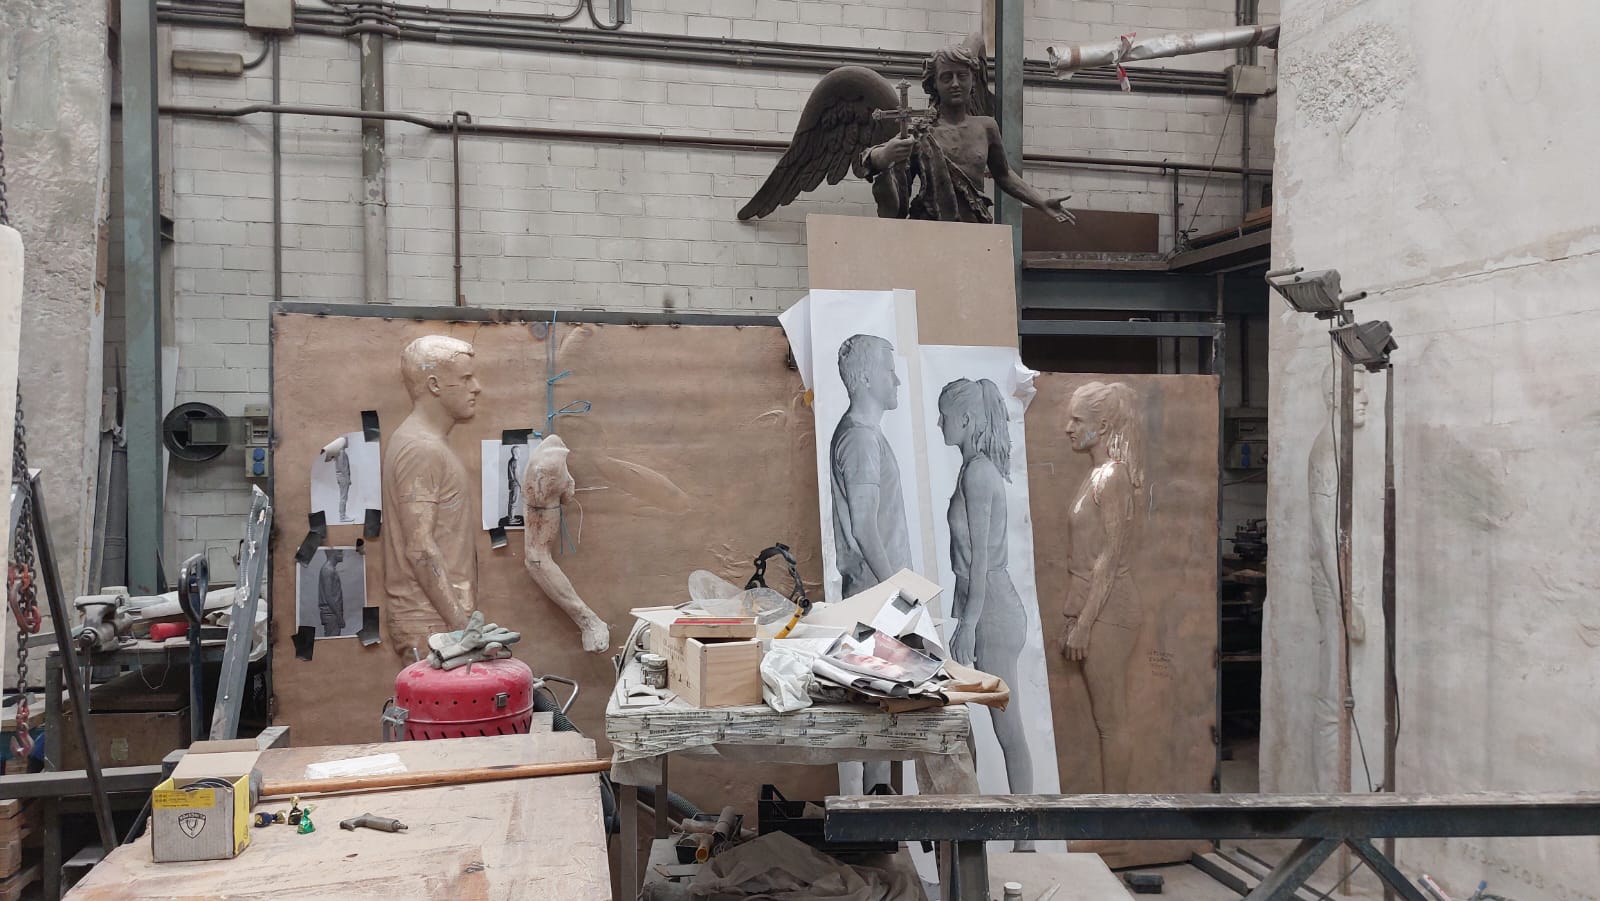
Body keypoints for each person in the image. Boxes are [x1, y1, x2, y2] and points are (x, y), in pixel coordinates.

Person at [939, 378, 1034, 848]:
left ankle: (1026, 838)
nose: (940, 424)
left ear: (967, 420)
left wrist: (969, 623)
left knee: (1006, 725)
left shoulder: (978, 474)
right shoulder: (972, 469)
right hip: (981, 602)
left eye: (945, 416)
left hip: (992, 607)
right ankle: (975, 829)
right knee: (963, 719)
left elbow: (978, 559)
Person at [856, 39, 1075, 225]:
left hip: (974, 224)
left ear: (972, 79)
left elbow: (1004, 175)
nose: (955, 84)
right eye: (946, 77)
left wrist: (1040, 202)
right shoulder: (922, 132)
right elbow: (874, 160)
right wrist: (883, 156)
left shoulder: (987, 127)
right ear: (934, 84)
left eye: (962, 76)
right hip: (930, 227)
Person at [1060, 381, 1145, 793]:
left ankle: (1115, 814)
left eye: (1078, 420)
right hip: (1094, 605)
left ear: (1104, 426)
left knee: (1111, 720)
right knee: (1104, 719)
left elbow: (1109, 557)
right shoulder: (1096, 475)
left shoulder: (1113, 476)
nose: (1068, 428)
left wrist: (1085, 624)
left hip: (1111, 611)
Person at [382, 335, 481, 661]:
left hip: (438, 620)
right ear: (434, 385)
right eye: (466, 378)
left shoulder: (427, 443)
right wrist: (462, 628)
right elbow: (420, 548)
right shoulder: (421, 448)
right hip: (433, 623)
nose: (476, 387)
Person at [830, 334, 913, 597]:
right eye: (889, 371)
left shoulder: (865, 432)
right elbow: (864, 528)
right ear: (866, 378)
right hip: (877, 597)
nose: (897, 381)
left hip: (881, 593)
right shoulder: (860, 437)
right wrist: (899, 594)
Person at [522, 435, 611, 653]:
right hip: (548, 465)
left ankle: (589, 621)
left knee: (536, 558)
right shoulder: (547, 465)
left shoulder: (545, 469)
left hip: (546, 468)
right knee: (536, 558)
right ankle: (589, 621)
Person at [317, 549, 346, 637]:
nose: (343, 553)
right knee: (333, 641)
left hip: (332, 613)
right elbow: (328, 596)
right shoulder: (328, 570)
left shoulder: (330, 569)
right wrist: (339, 616)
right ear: (332, 553)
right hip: (331, 614)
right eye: (340, 551)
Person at [505, 444, 525, 527]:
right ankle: (511, 519)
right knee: (514, 502)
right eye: (519, 452)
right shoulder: (515, 462)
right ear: (516, 452)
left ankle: (511, 517)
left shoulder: (511, 460)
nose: (520, 453)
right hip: (516, 484)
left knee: (511, 501)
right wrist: (521, 486)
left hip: (511, 483)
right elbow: (517, 476)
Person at [335, 448, 353, 523]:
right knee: (343, 497)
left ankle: (342, 515)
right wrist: (348, 478)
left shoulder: (338, 452)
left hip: (341, 477)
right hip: (343, 477)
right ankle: (342, 516)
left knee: (343, 497)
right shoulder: (341, 452)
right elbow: (343, 468)